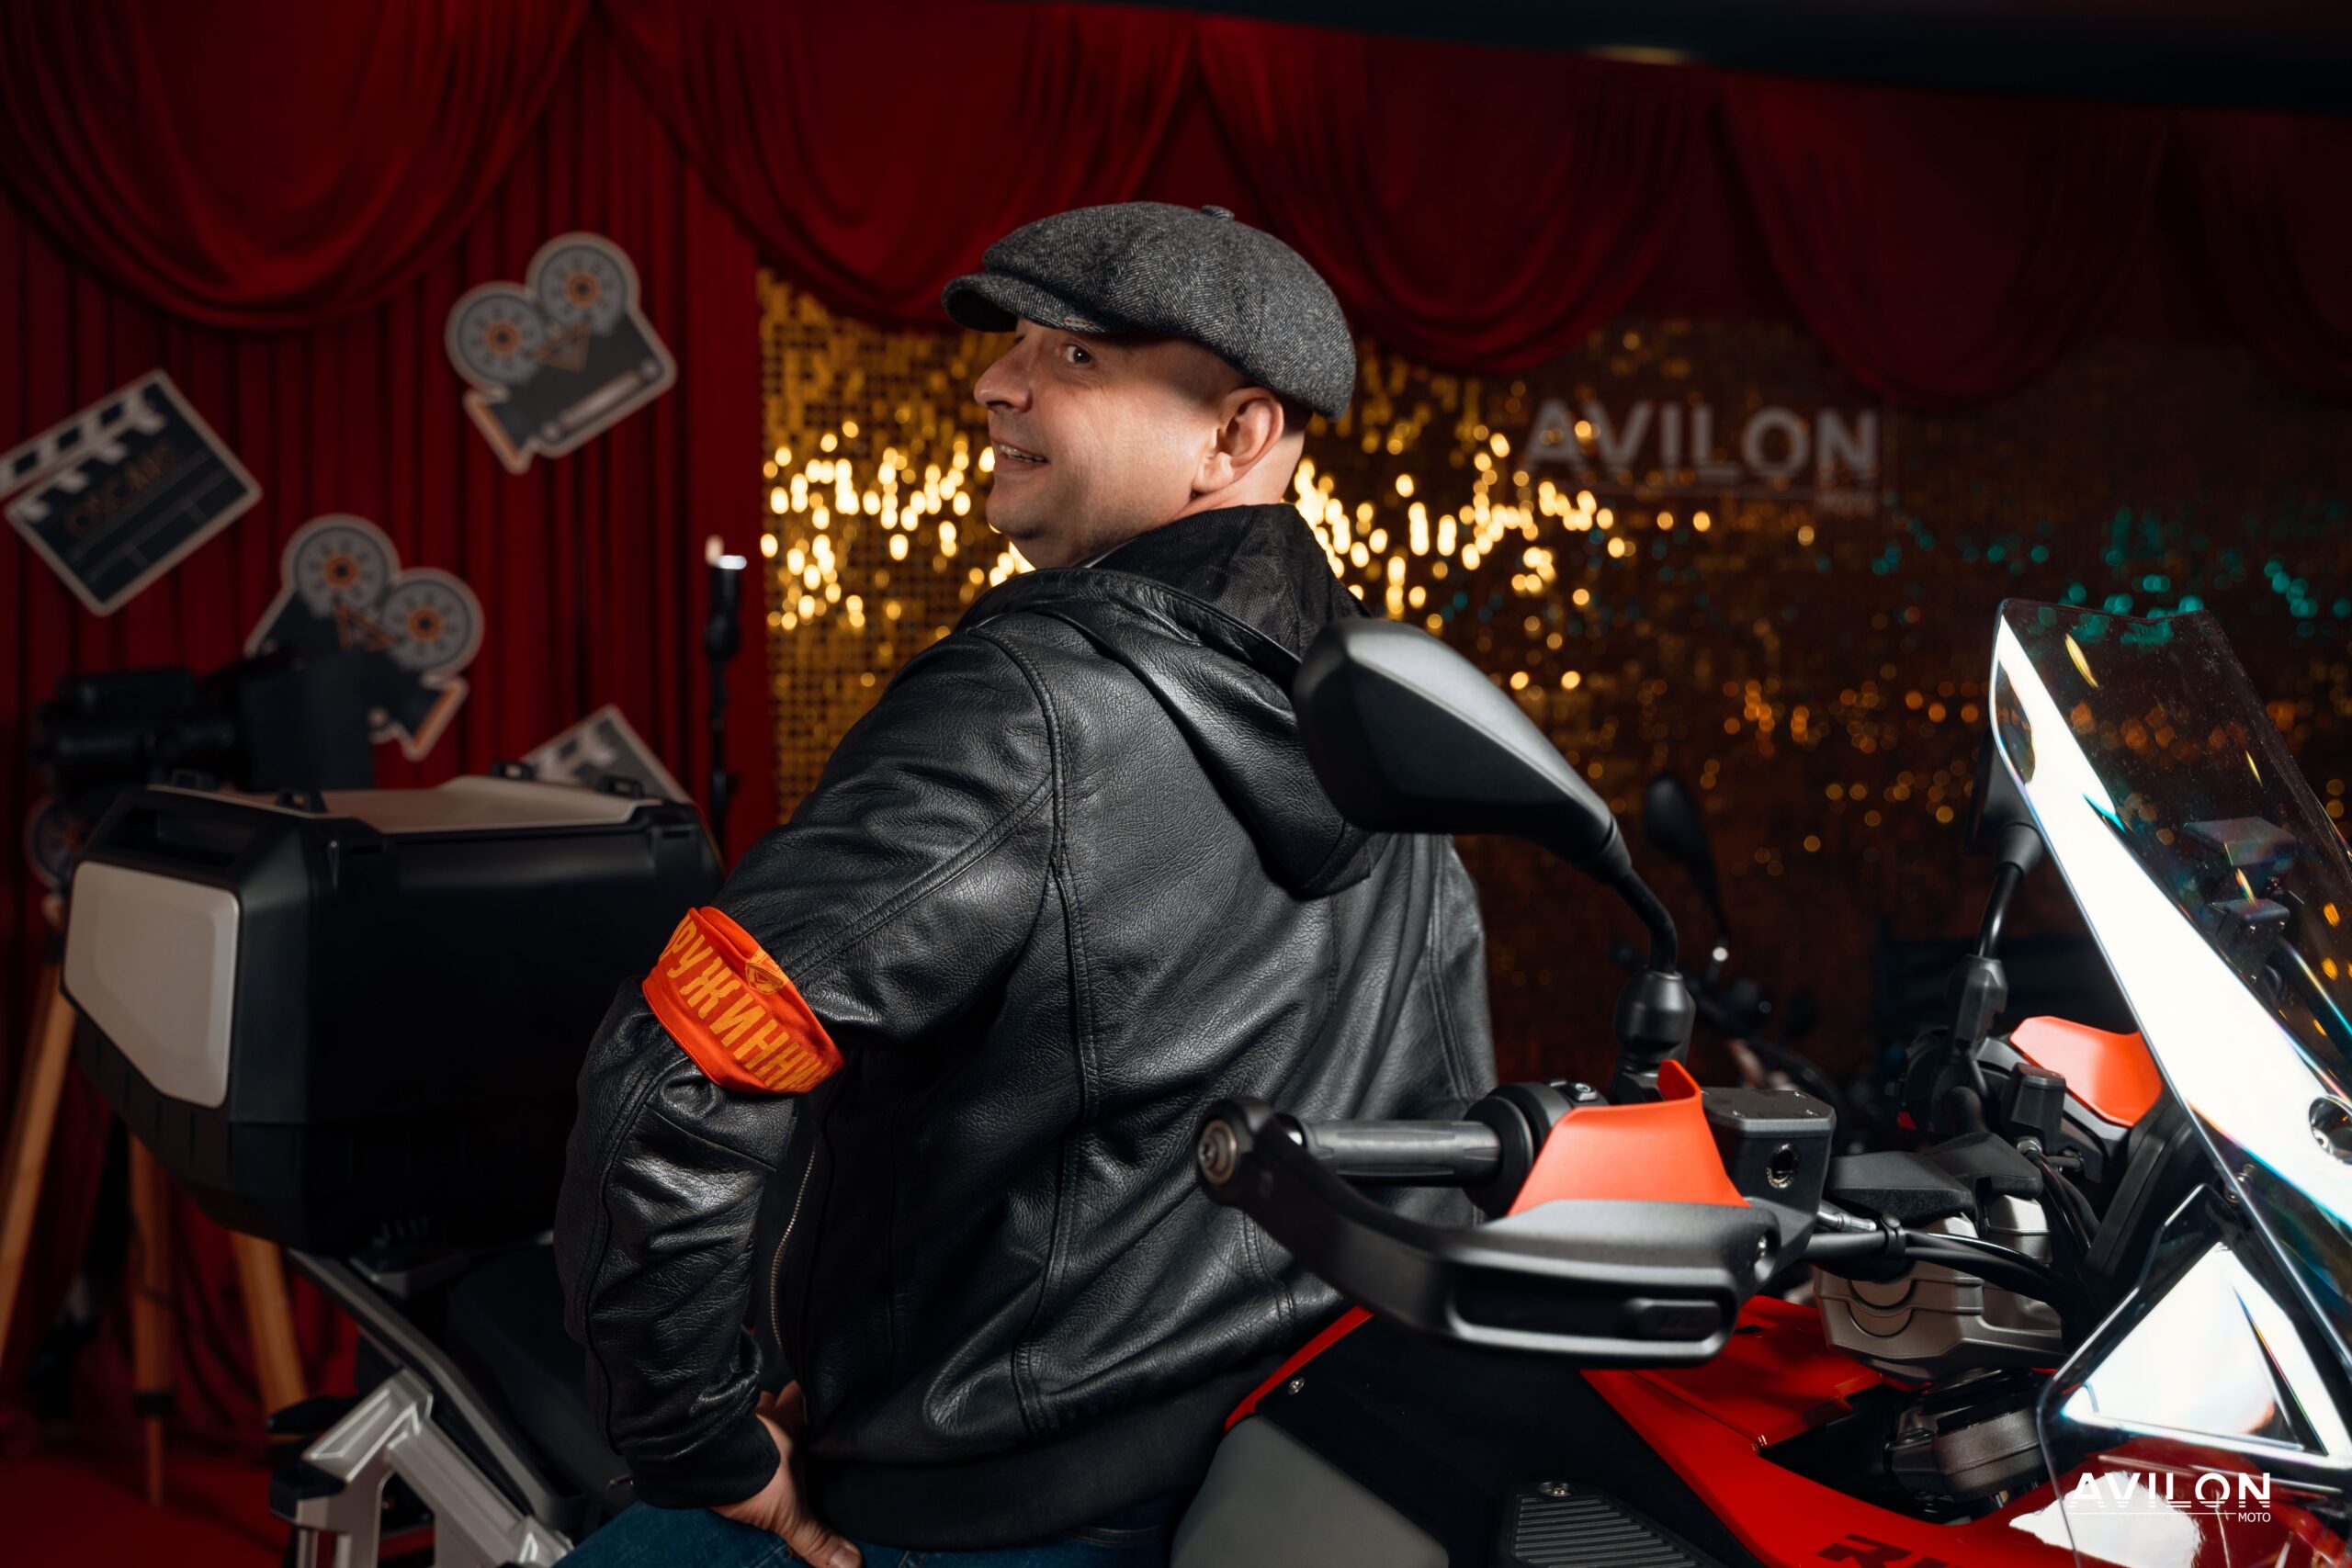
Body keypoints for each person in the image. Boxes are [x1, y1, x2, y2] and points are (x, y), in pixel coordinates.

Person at [554, 202, 1496, 1568]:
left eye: (1077, 357)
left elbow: (672, 1079)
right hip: (1278, 1469)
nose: (997, 382)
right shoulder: (1394, 703)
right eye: (1015, 346)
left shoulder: (1022, 710)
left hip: (971, 1509)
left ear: (1235, 436)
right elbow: (1445, 1123)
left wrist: (702, 1443)